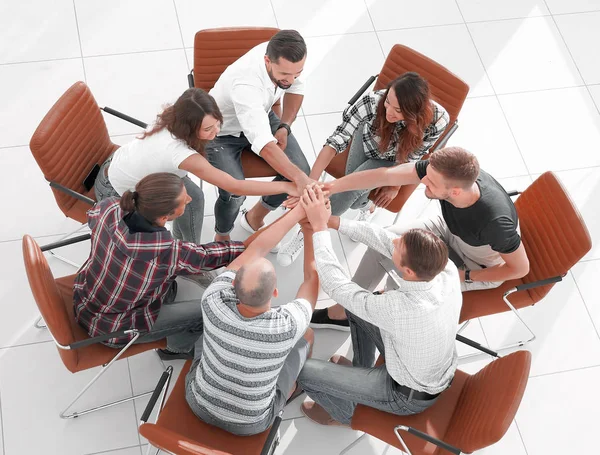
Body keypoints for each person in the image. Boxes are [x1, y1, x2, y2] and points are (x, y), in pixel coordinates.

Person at [311, 146, 530, 331]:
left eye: (431, 181)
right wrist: (329, 188)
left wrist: (466, 275)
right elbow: (384, 176)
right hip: (448, 231)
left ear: (454, 192)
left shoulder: (495, 223)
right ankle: (344, 311)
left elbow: (519, 269)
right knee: (385, 243)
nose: (423, 179)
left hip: (478, 264)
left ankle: (375, 323)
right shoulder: (444, 172)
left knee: (402, 284)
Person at [295, 185, 461, 426]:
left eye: (398, 246)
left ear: (408, 271)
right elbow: (383, 239)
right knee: (361, 304)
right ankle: (359, 372)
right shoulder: (445, 269)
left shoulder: (401, 308)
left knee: (305, 372)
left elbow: (337, 286)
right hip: (415, 361)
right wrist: (331, 221)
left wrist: (319, 229)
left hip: (405, 394)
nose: (393, 240)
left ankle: (345, 413)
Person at [277, 72, 449, 266]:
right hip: (368, 141)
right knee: (353, 199)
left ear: (414, 113)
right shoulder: (372, 102)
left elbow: (415, 156)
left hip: (394, 160)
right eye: (388, 102)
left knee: (346, 194)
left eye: (399, 110)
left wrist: (395, 186)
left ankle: (307, 231)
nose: (389, 111)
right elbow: (336, 140)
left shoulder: (438, 120)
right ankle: (366, 206)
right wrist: (310, 183)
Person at [74, 173, 247, 359]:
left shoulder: (108, 207)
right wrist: (248, 246)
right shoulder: (168, 252)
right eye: (184, 200)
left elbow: (91, 217)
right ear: (166, 217)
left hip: (85, 298)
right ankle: (175, 349)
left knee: (167, 281)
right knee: (207, 311)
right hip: (114, 328)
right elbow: (211, 256)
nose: (190, 198)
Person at [94, 88, 299, 244]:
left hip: (124, 164)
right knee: (192, 199)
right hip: (116, 192)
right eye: (208, 129)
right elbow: (234, 185)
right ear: (189, 128)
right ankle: (187, 255)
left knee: (195, 198)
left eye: (217, 123)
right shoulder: (179, 152)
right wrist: (286, 186)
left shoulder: (175, 115)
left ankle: (184, 243)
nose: (217, 131)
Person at [185, 201, 319, 436]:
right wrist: (309, 231)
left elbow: (255, 251)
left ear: (232, 283)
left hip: (197, 404)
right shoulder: (287, 326)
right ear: (275, 292)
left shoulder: (213, 299)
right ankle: (291, 389)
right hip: (250, 425)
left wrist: (297, 211)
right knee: (307, 335)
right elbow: (311, 281)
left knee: (207, 333)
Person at [206, 29, 313, 248]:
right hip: (220, 133)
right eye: (285, 75)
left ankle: (254, 217)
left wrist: (284, 125)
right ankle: (222, 236)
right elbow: (264, 145)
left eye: (297, 73)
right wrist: (300, 180)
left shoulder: (289, 61)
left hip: (262, 115)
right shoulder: (246, 83)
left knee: (301, 168)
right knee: (235, 190)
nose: (291, 80)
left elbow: (296, 89)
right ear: (267, 60)